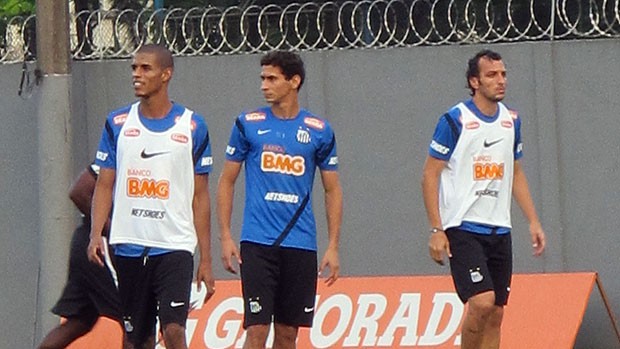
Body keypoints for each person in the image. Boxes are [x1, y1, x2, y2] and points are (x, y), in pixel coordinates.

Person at [87, 44, 215, 349]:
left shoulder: (192, 126)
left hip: (174, 245)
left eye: (145, 68)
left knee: (173, 332)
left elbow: (200, 196)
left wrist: (207, 258)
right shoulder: (118, 123)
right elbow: (104, 184)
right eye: (134, 68)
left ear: (166, 74)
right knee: (135, 339)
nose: (136, 75)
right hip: (129, 245)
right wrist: (95, 234)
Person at [421, 49, 546, 349]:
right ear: (474, 81)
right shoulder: (455, 120)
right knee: (481, 302)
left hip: (499, 228)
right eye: (492, 75)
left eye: (503, 74)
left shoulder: (511, 121)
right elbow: (429, 175)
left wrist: (533, 220)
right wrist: (436, 229)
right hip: (463, 228)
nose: (500, 80)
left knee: (496, 311)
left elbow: (515, 172)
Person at [217, 50, 343, 349]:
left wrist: (334, 245)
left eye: (272, 78)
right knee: (257, 329)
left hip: (300, 244)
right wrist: (225, 236)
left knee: (288, 334)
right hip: (258, 243)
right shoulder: (248, 124)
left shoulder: (319, 131)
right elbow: (226, 181)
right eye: (262, 78)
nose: (264, 85)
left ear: (294, 81)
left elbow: (332, 189)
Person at [38, 163, 127, 349]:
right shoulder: (118, 150)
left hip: (89, 244)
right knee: (132, 317)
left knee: (79, 321)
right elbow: (78, 192)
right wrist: (110, 229)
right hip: (99, 245)